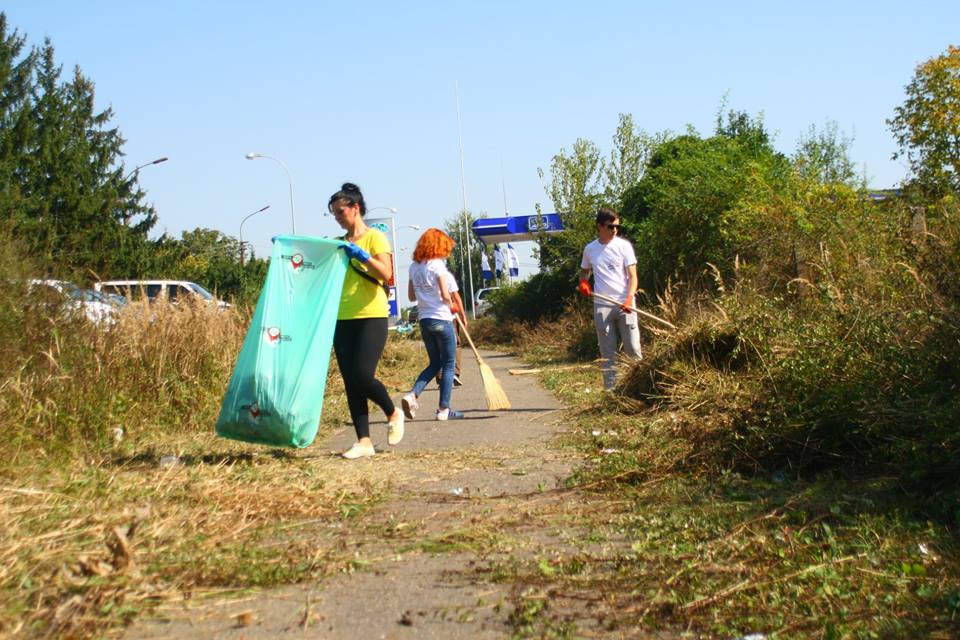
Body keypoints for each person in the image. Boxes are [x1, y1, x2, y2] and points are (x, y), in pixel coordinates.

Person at [329, 182, 405, 459]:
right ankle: (364, 441)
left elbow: (386, 273)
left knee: (362, 374)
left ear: (355, 208)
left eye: (340, 211)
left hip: (371, 314)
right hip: (341, 316)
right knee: (350, 381)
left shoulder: (375, 238)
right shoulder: (337, 244)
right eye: (334, 214)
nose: (337, 217)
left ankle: (393, 412)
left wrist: (363, 257)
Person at [402, 228, 464, 421]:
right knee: (448, 364)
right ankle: (444, 410)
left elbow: (411, 296)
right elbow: (446, 295)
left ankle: (412, 395)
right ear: (438, 246)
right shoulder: (437, 266)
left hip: (425, 320)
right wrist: (452, 306)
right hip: (442, 319)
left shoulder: (414, 266)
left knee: (435, 363)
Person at [578, 207, 642, 390]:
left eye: (616, 226)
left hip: (625, 304)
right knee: (608, 353)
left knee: (633, 349)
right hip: (602, 305)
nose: (614, 230)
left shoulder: (624, 246)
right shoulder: (590, 249)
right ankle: (611, 392)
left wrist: (629, 299)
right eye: (610, 226)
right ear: (600, 226)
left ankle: (638, 388)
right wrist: (584, 283)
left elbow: (633, 277)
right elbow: (584, 272)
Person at [435, 270, 464, 388]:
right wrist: (463, 316)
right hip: (448, 317)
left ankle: (441, 377)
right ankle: (454, 373)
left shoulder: (423, 275)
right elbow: (456, 298)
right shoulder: (446, 276)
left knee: (438, 347)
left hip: (430, 319)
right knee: (455, 344)